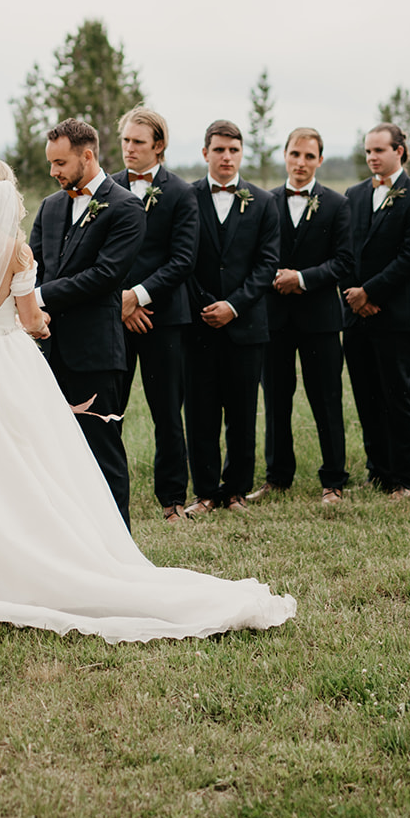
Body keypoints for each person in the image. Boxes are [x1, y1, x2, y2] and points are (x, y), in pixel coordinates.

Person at [0, 161, 295, 643]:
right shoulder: (16, 252)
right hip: (4, 363)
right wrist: (39, 325)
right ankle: (25, 552)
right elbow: (30, 321)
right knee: (23, 463)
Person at [29, 119, 146, 527]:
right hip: (46, 349)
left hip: (96, 354)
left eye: (60, 162)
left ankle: (118, 549)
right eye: (51, 163)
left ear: (87, 155)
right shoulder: (50, 206)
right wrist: (33, 307)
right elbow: (33, 266)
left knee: (102, 453)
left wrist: (39, 298)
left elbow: (105, 276)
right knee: (53, 454)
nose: (53, 172)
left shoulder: (126, 207)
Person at [250, 127, 353, 508]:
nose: (301, 163)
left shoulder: (337, 204)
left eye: (310, 157)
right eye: (296, 154)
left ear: (320, 160)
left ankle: (334, 480)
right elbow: (257, 254)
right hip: (273, 318)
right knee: (276, 399)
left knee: (326, 399)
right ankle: (277, 478)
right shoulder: (265, 202)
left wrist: (303, 279)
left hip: (320, 320)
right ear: (285, 155)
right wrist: (275, 277)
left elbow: (345, 261)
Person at [184, 121, 279, 515]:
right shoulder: (186, 198)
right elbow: (181, 258)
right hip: (198, 323)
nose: (226, 157)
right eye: (219, 150)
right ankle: (206, 492)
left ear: (242, 154)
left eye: (233, 151)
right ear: (205, 152)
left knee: (242, 413)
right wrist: (207, 304)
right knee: (201, 412)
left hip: (246, 325)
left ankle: (236, 489)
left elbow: (267, 263)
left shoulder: (262, 201)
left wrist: (234, 306)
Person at [109, 107, 198, 522]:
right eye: (126, 141)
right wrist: (121, 303)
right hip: (115, 319)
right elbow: (103, 256)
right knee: (110, 410)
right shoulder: (106, 188)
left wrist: (139, 297)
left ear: (158, 146)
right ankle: (106, 496)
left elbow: (182, 259)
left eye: (138, 142)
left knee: (167, 412)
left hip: (165, 319)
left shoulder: (181, 193)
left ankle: (172, 499)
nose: (129, 149)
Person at [342, 123, 410, 500]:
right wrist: (354, 295)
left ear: (400, 151)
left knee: (399, 397)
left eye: (379, 150)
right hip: (356, 315)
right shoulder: (355, 193)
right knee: (366, 396)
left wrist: (371, 292)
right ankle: (377, 470)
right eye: (367, 151)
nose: (372, 158)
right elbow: (345, 248)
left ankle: (406, 478)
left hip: (395, 315)